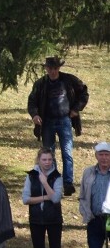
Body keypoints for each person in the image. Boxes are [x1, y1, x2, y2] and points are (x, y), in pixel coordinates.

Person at [28, 56, 89, 196]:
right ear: (46, 69)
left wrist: (76, 109)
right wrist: (35, 115)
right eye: (50, 68)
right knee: (49, 155)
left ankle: (68, 184)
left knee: (67, 153)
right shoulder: (40, 84)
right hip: (47, 122)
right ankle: (54, 182)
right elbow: (32, 102)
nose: (53, 71)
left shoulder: (69, 80)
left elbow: (84, 92)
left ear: (59, 68)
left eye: (55, 68)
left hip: (65, 120)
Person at [21, 148, 65, 248]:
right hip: (36, 220)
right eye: (44, 159)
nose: (47, 162)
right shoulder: (31, 176)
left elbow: (56, 198)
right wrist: (45, 197)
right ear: (38, 160)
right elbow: (26, 199)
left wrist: (45, 183)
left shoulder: (57, 176)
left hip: (54, 220)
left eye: (49, 160)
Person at [79, 142, 110, 248]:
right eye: (101, 155)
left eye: (107, 155)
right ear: (96, 156)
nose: (104, 158)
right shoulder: (88, 173)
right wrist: (87, 214)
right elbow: (83, 196)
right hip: (95, 220)